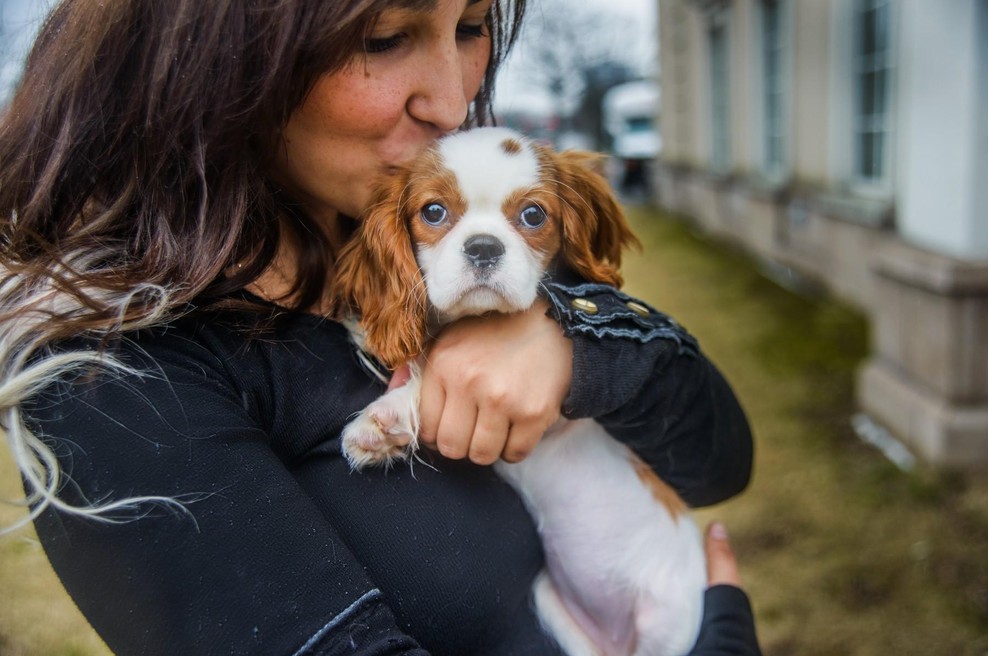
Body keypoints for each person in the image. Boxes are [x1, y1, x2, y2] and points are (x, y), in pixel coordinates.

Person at [0, 1, 761, 654]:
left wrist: (579, 345)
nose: (453, 101)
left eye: (470, 26)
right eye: (387, 35)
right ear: (214, 56)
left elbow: (717, 462)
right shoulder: (114, 378)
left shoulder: (442, 231)